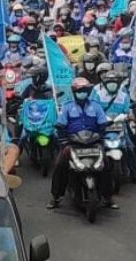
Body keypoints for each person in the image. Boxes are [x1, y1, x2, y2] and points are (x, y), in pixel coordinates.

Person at [47, 78, 116, 210]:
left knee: (106, 165)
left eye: (85, 91)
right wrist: (60, 129)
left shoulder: (96, 106)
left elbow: (102, 121)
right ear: (74, 92)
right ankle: (56, 197)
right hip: (73, 143)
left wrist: (105, 126)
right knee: (60, 165)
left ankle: (108, 197)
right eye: (80, 91)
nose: (83, 93)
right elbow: (61, 123)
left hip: (94, 142)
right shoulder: (67, 106)